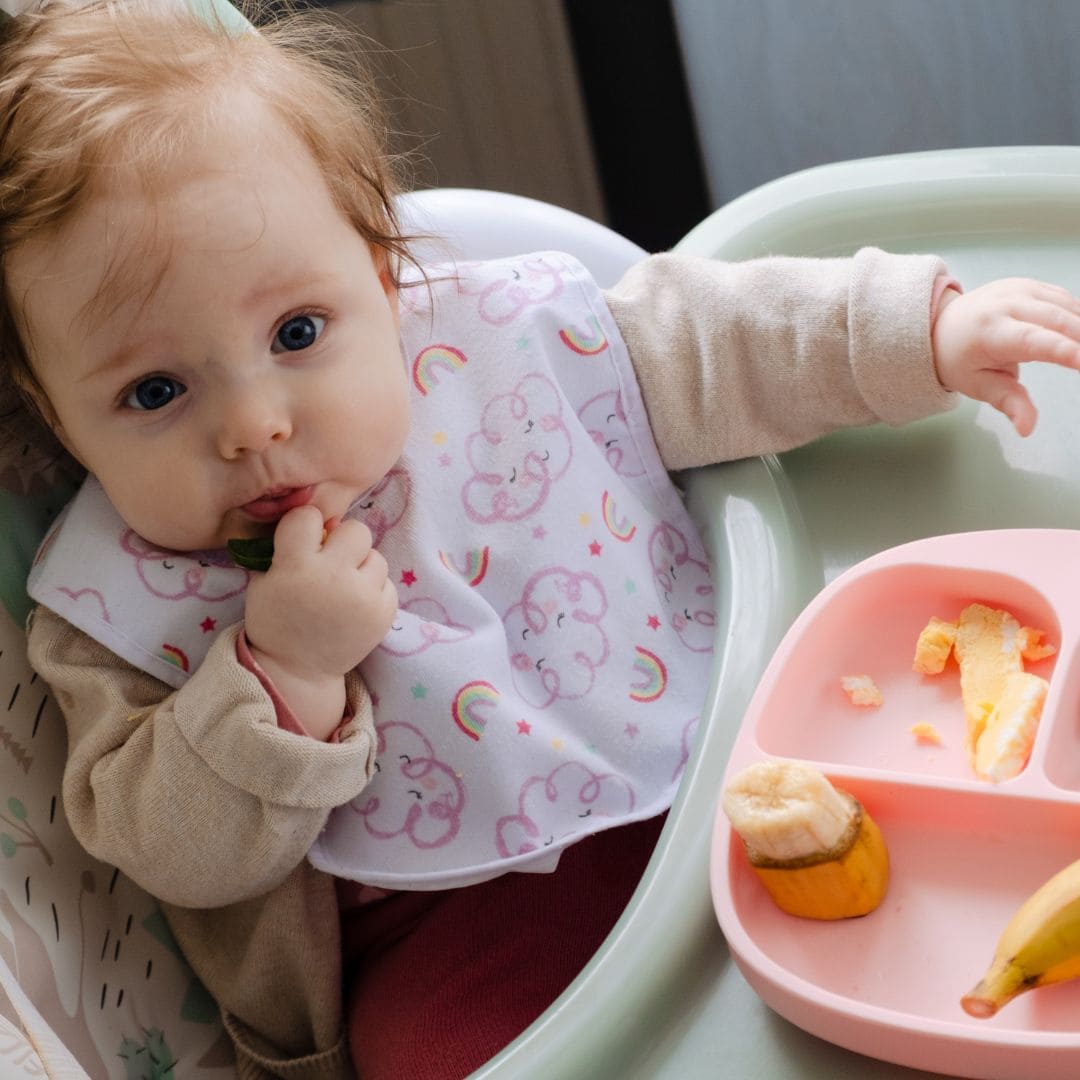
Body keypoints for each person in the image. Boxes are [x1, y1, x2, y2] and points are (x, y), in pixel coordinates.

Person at [2, 1, 1080, 1077]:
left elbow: (722, 344)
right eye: (153, 391)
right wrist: (283, 674)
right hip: (449, 943)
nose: (254, 425)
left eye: (296, 333)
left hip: (732, 768)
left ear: (382, 280)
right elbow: (173, 853)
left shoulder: (499, 348)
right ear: (59, 418)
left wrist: (916, 334)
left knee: (946, 947)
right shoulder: (109, 608)